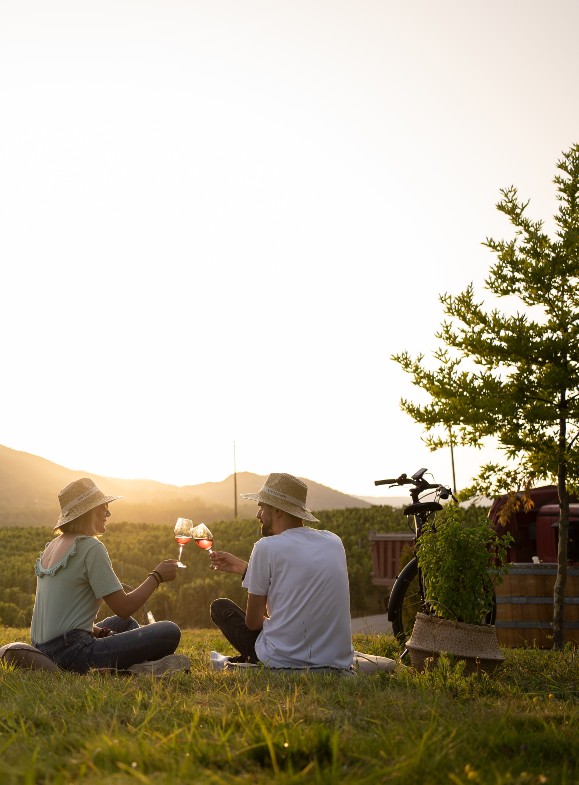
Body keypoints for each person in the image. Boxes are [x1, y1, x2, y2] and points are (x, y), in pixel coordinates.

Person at [30, 477, 188, 675]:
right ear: (88, 512)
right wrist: (157, 576)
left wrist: (96, 631)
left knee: (126, 624)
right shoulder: (90, 547)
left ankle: (139, 662)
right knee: (168, 632)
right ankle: (142, 665)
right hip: (72, 653)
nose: (109, 512)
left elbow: (60, 613)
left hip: (42, 649)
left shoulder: (52, 546)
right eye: (103, 506)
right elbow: (124, 607)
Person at [209, 473, 354, 671]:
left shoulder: (266, 546)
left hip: (284, 659)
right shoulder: (333, 541)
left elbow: (252, 623)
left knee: (221, 608)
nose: (258, 514)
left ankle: (254, 658)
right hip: (335, 659)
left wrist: (278, 622)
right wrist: (246, 569)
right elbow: (298, 577)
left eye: (261, 507)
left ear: (277, 511)